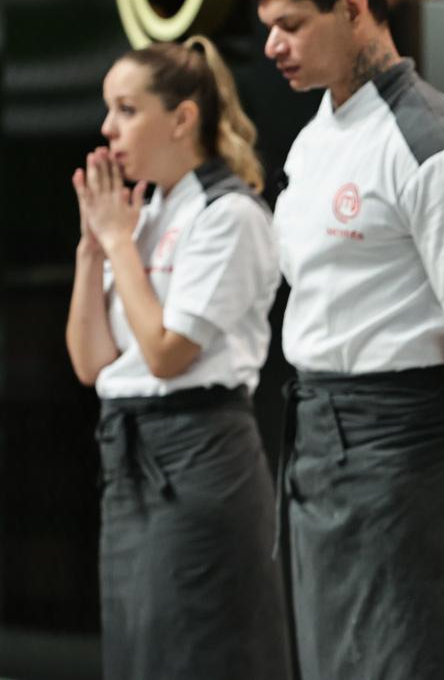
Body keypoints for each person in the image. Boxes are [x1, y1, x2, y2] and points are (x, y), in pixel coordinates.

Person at [248, 0, 444, 679]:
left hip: (401, 436)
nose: (273, 45)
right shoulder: (317, 135)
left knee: (405, 664)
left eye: (290, 25)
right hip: (314, 429)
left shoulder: (437, 145)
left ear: (352, 5)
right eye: (268, 28)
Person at [65, 36, 289, 679]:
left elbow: (165, 353)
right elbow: (90, 362)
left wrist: (119, 244)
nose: (109, 129)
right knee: (137, 653)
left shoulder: (230, 214)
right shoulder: (146, 211)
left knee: (197, 652)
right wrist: (92, 249)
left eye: (127, 109)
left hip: (200, 454)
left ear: (183, 118)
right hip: (127, 450)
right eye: (110, 110)